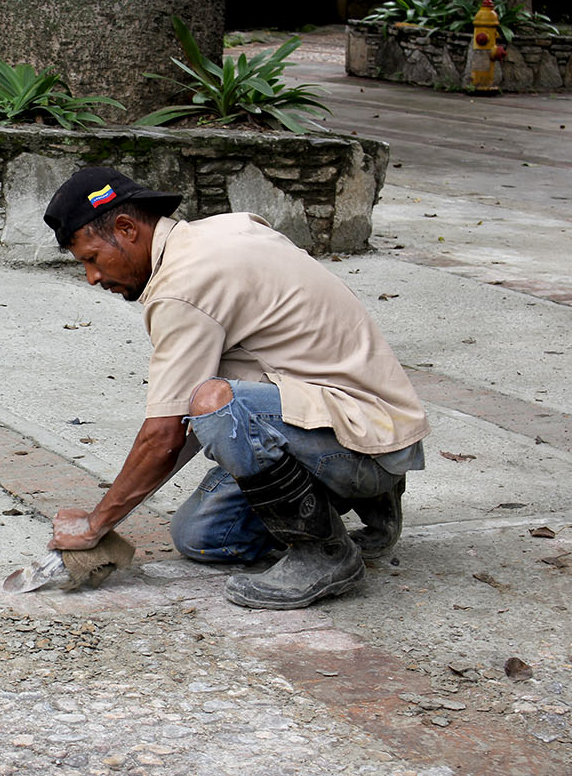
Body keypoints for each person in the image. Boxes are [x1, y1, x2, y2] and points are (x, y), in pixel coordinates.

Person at [41, 167, 430, 610]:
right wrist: (115, 509)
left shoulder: (183, 287)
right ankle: (366, 495)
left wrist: (95, 524)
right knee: (203, 537)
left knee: (217, 403)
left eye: (92, 258)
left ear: (127, 229)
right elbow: (182, 421)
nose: (93, 277)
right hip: (365, 423)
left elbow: (168, 431)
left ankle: (324, 555)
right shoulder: (223, 229)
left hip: (361, 438)